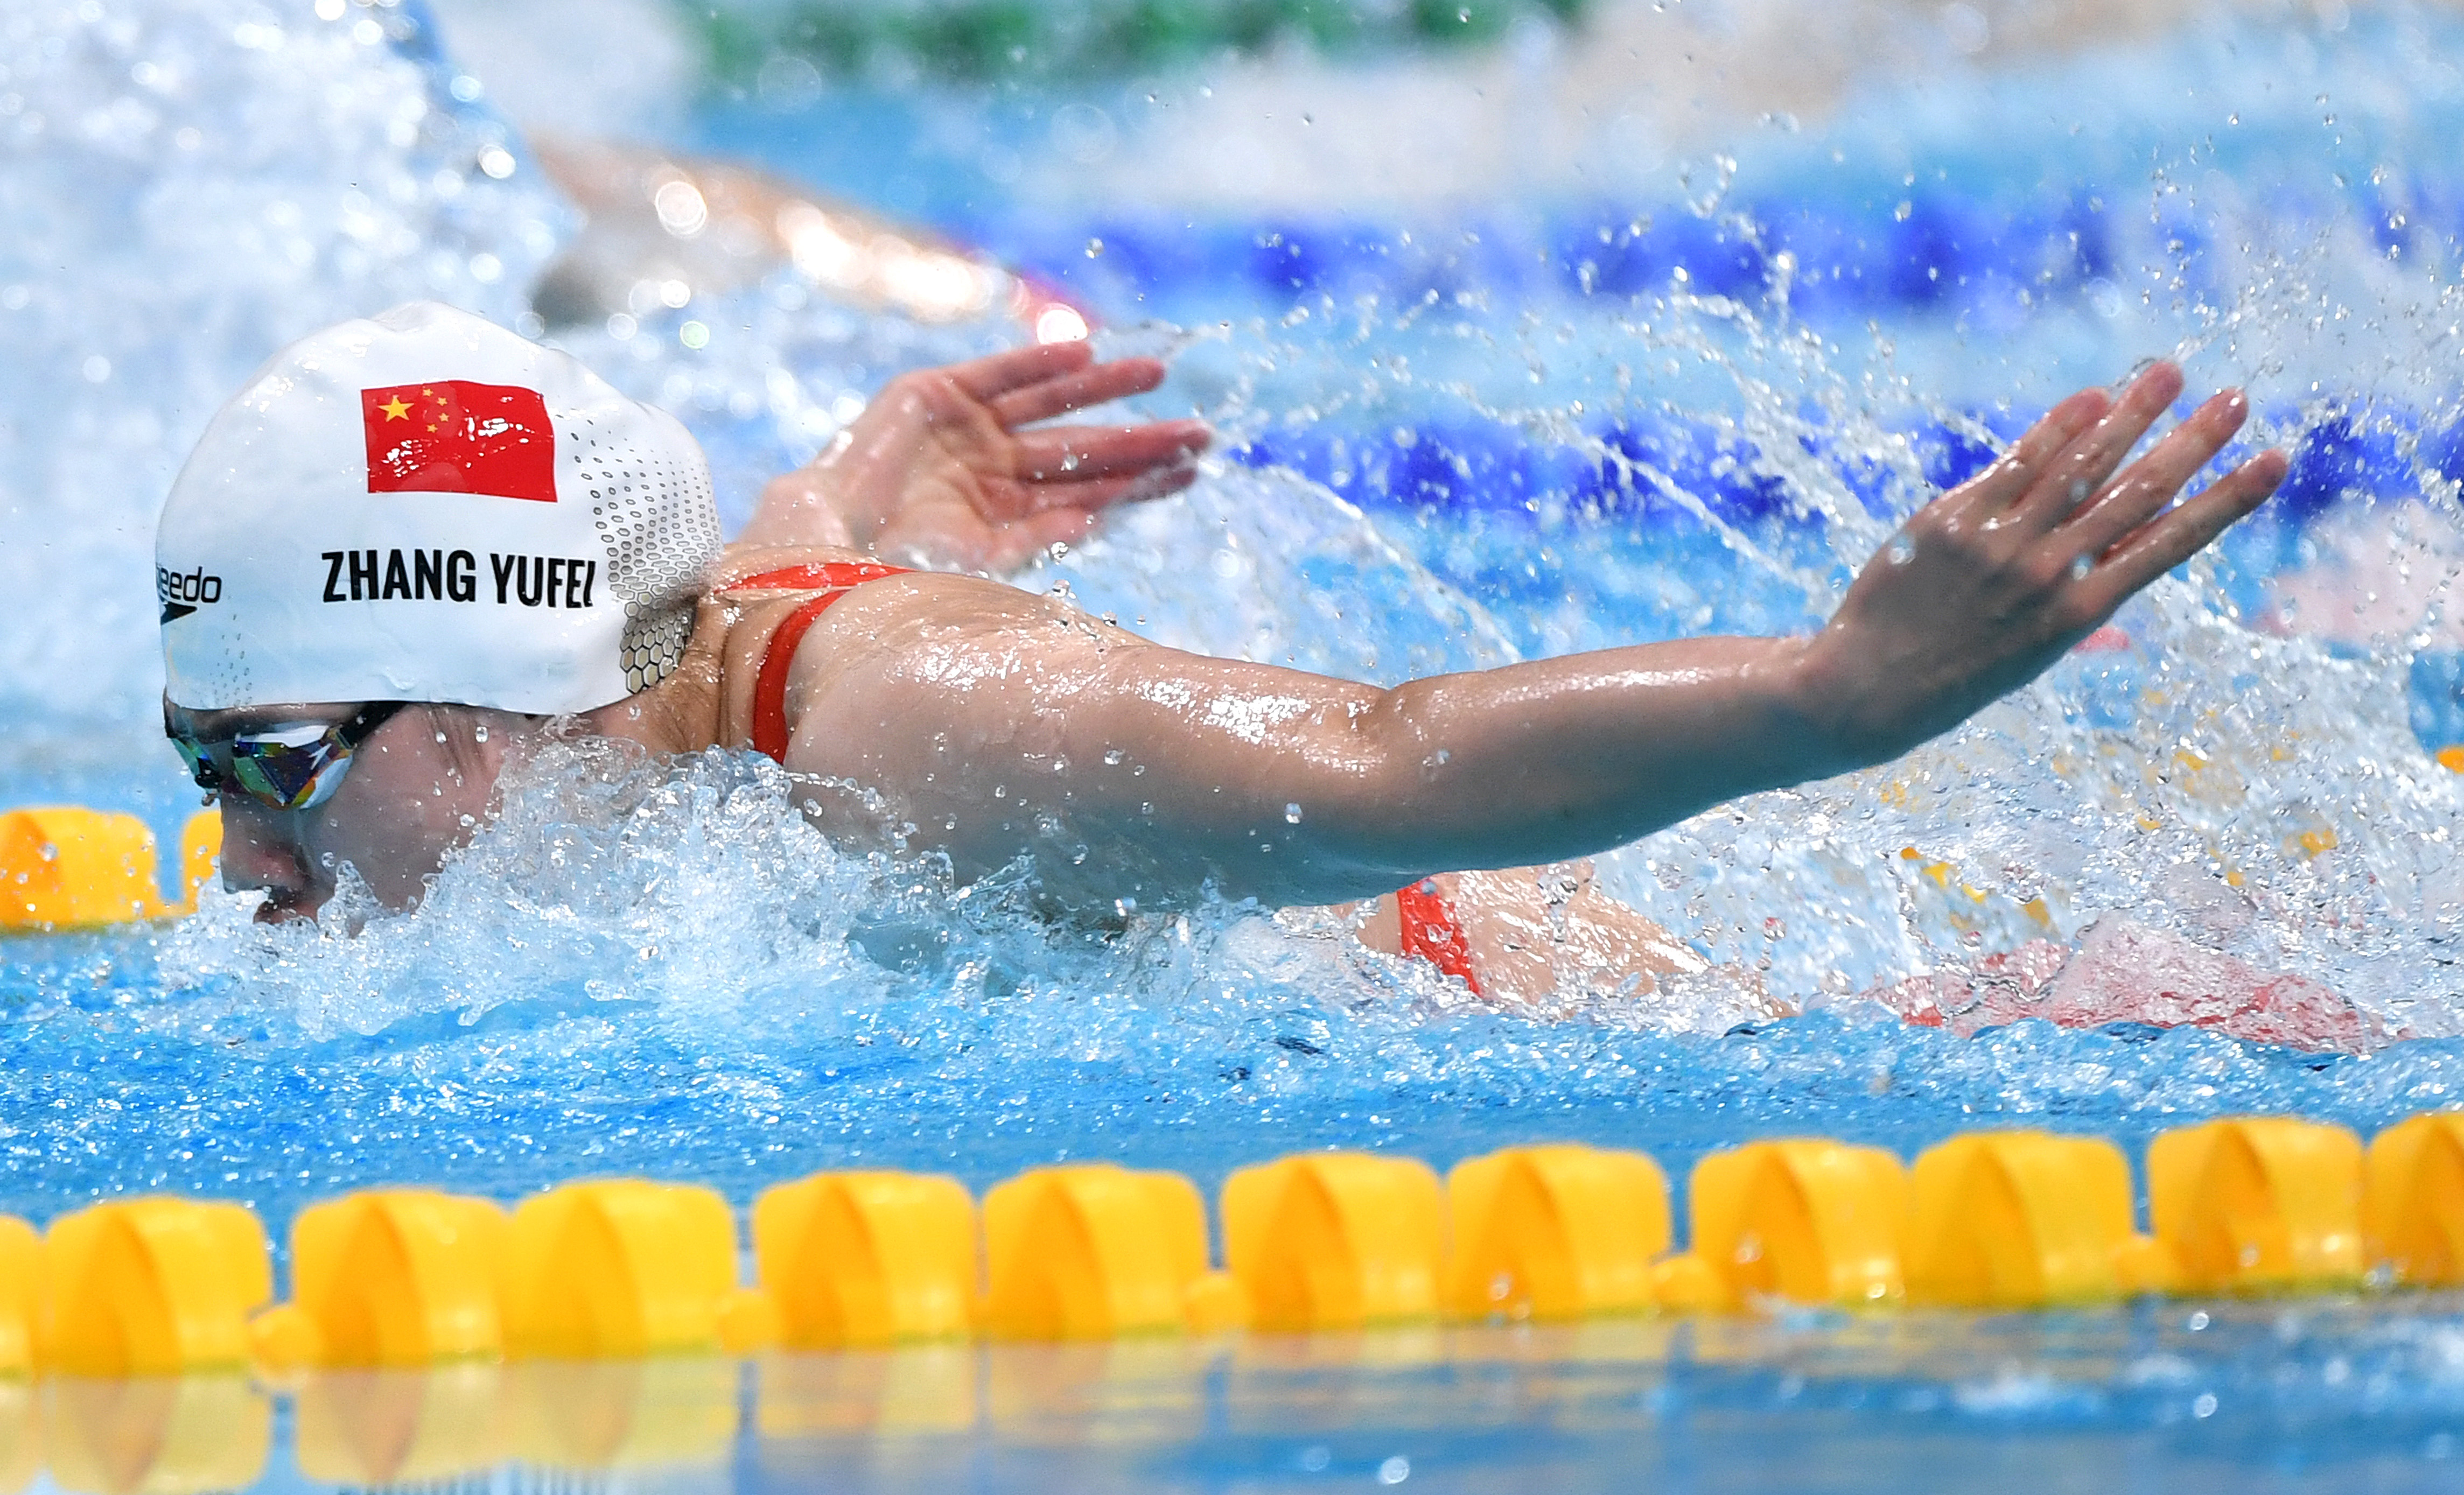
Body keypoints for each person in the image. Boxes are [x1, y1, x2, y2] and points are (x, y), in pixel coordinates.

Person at [159, 303, 2286, 1004]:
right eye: (213, 779)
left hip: (1573, 1020)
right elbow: (771, 540)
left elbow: (1382, 755)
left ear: (503, 692)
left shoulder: (909, 730)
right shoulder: (651, 667)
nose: (250, 870)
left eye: (281, 770)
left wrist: (1844, 696)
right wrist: (873, 481)